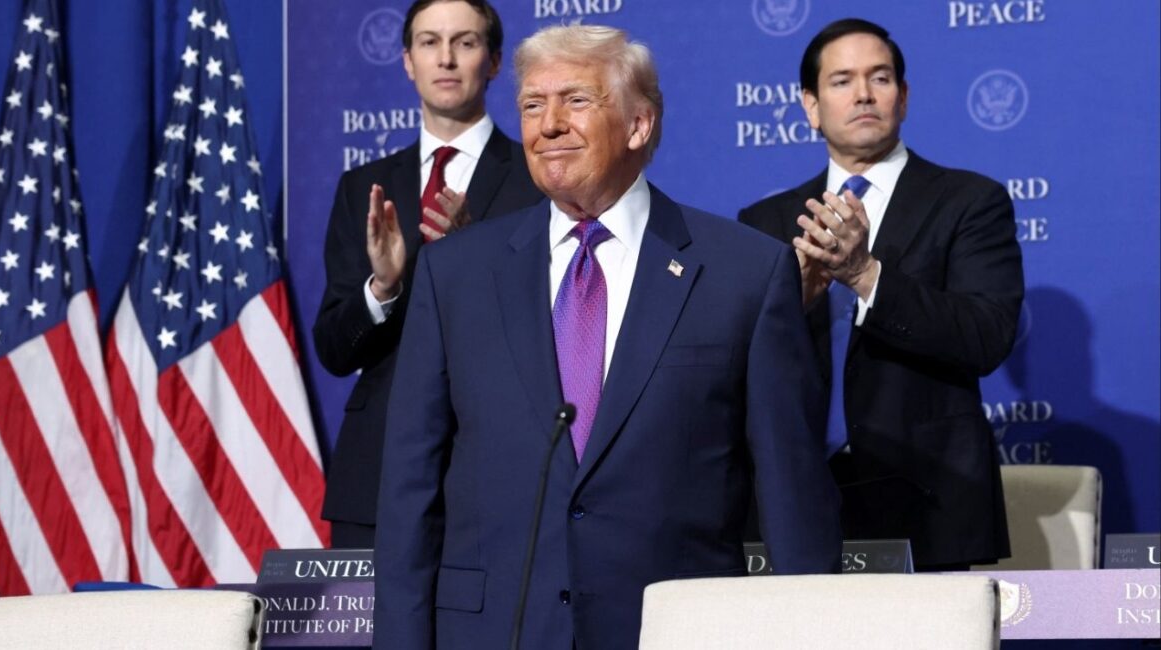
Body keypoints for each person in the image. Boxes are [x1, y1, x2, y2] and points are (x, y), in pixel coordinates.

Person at [372, 23, 842, 650]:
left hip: (679, 631)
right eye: (532, 106)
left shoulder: (744, 272)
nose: (548, 125)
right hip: (495, 630)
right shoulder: (456, 273)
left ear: (639, 126)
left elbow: (791, 489)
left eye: (576, 100)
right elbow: (410, 484)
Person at [738, 18, 1024, 570]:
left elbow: (986, 335)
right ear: (811, 106)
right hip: (794, 501)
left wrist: (866, 274)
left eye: (881, 77)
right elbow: (736, 363)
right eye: (842, 81)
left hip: (925, 496)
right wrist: (791, 304)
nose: (864, 94)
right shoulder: (766, 220)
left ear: (904, 96)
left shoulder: (969, 201)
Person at [313, 0, 542, 548]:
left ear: (492, 61)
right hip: (379, 470)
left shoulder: (539, 181)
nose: (446, 58)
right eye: (429, 42)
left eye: (464, 42)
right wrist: (383, 289)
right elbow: (335, 349)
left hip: (498, 466)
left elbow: (552, 328)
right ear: (407, 61)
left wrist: (473, 254)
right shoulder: (363, 186)